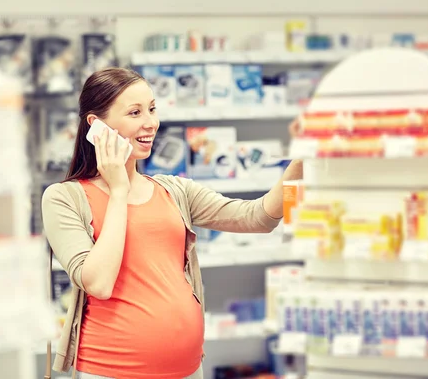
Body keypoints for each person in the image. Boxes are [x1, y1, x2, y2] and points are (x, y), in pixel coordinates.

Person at [41, 67, 303, 379]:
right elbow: (98, 282)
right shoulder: (64, 198)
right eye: (135, 112)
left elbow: (259, 218)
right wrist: (120, 190)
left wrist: (298, 164)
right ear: (97, 126)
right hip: (112, 370)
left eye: (152, 109)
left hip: (188, 369)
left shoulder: (173, 190)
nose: (150, 122)